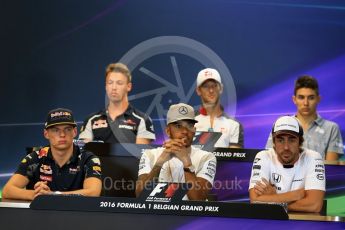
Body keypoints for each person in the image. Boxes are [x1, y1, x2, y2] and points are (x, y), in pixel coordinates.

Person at [2, 108, 102, 201]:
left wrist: (53, 196)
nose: (62, 135)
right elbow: (7, 191)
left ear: (75, 132)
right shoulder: (35, 157)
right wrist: (37, 195)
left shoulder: (88, 159)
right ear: (46, 134)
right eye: (55, 130)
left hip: (77, 217)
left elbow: (93, 192)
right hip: (41, 218)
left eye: (67, 129)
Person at [135, 103, 217, 201]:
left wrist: (187, 163)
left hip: (191, 216)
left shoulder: (207, 157)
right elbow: (140, 195)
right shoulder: (150, 155)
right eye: (178, 126)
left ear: (194, 130)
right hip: (158, 214)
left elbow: (198, 199)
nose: (185, 131)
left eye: (190, 126)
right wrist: (159, 163)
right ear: (168, 131)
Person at [249, 116, 325, 212]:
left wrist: (273, 197)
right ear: (274, 142)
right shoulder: (263, 156)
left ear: (300, 142)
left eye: (291, 140)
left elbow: (314, 205)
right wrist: (295, 195)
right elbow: (255, 200)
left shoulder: (313, 157)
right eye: (280, 140)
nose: (286, 147)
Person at [266, 75, 343, 161]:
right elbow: (269, 161)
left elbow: (330, 168)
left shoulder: (331, 128)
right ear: (294, 99)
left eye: (311, 98)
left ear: (318, 99)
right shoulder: (280, 126)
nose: (306, 103)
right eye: (301, 97)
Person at [79, 62, 155, 144]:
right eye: (110, 83)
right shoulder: (91, 120)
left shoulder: (142, 120)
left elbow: (140, 155)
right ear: (106, 86)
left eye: (119, 83)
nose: (114, 87)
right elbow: (86, 153)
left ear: (129, 86)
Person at [194, 68, 244, 148]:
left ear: (221, 88)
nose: (211, 90)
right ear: (198, 90)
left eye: (214, 86)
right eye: (206, 86)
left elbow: (235, 158)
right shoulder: (188, 122)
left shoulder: (234, 125)